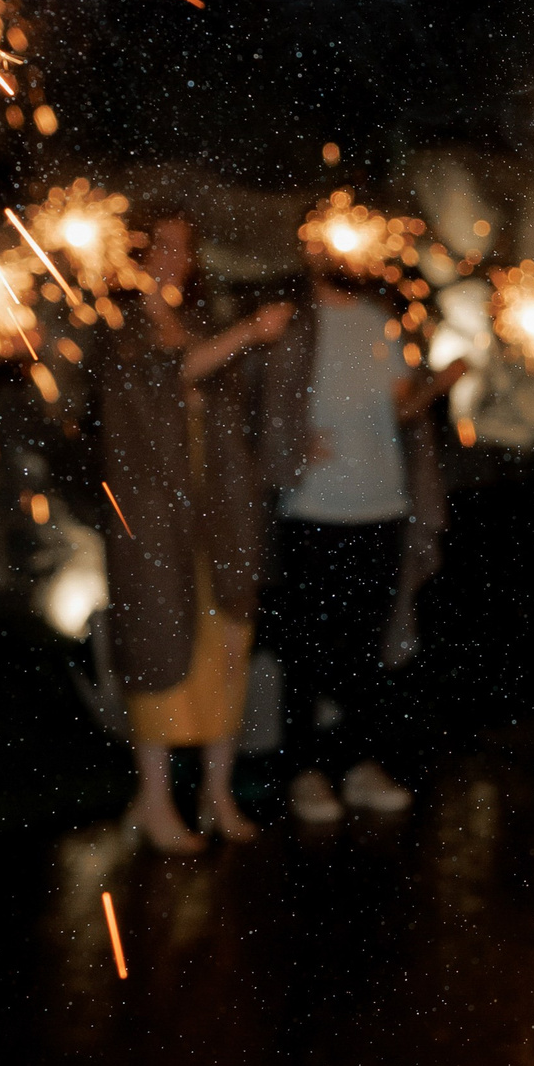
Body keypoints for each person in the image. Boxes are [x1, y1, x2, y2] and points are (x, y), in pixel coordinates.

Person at [92, 212, 294, 853]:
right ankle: (154, 801)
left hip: (219, 521)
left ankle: (216, 793)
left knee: (225, 650)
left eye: (184, 249)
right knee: (159, 650)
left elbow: (233, 405)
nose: (175, 259)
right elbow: (168, 373)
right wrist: (247, 332)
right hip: (156, 528)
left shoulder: (203, 323)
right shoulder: (119, 331)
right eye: (163, 247)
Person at [252, 236, 457, 827]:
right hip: (311, 509)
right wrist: (288, 446)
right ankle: (303, 772)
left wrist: (441, 382)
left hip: (381, 506)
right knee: (306, 647)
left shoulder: (379, 320)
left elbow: (402, 408)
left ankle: (361, 765)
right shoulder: (289, 323)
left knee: (368, 647)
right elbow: (253, 403)